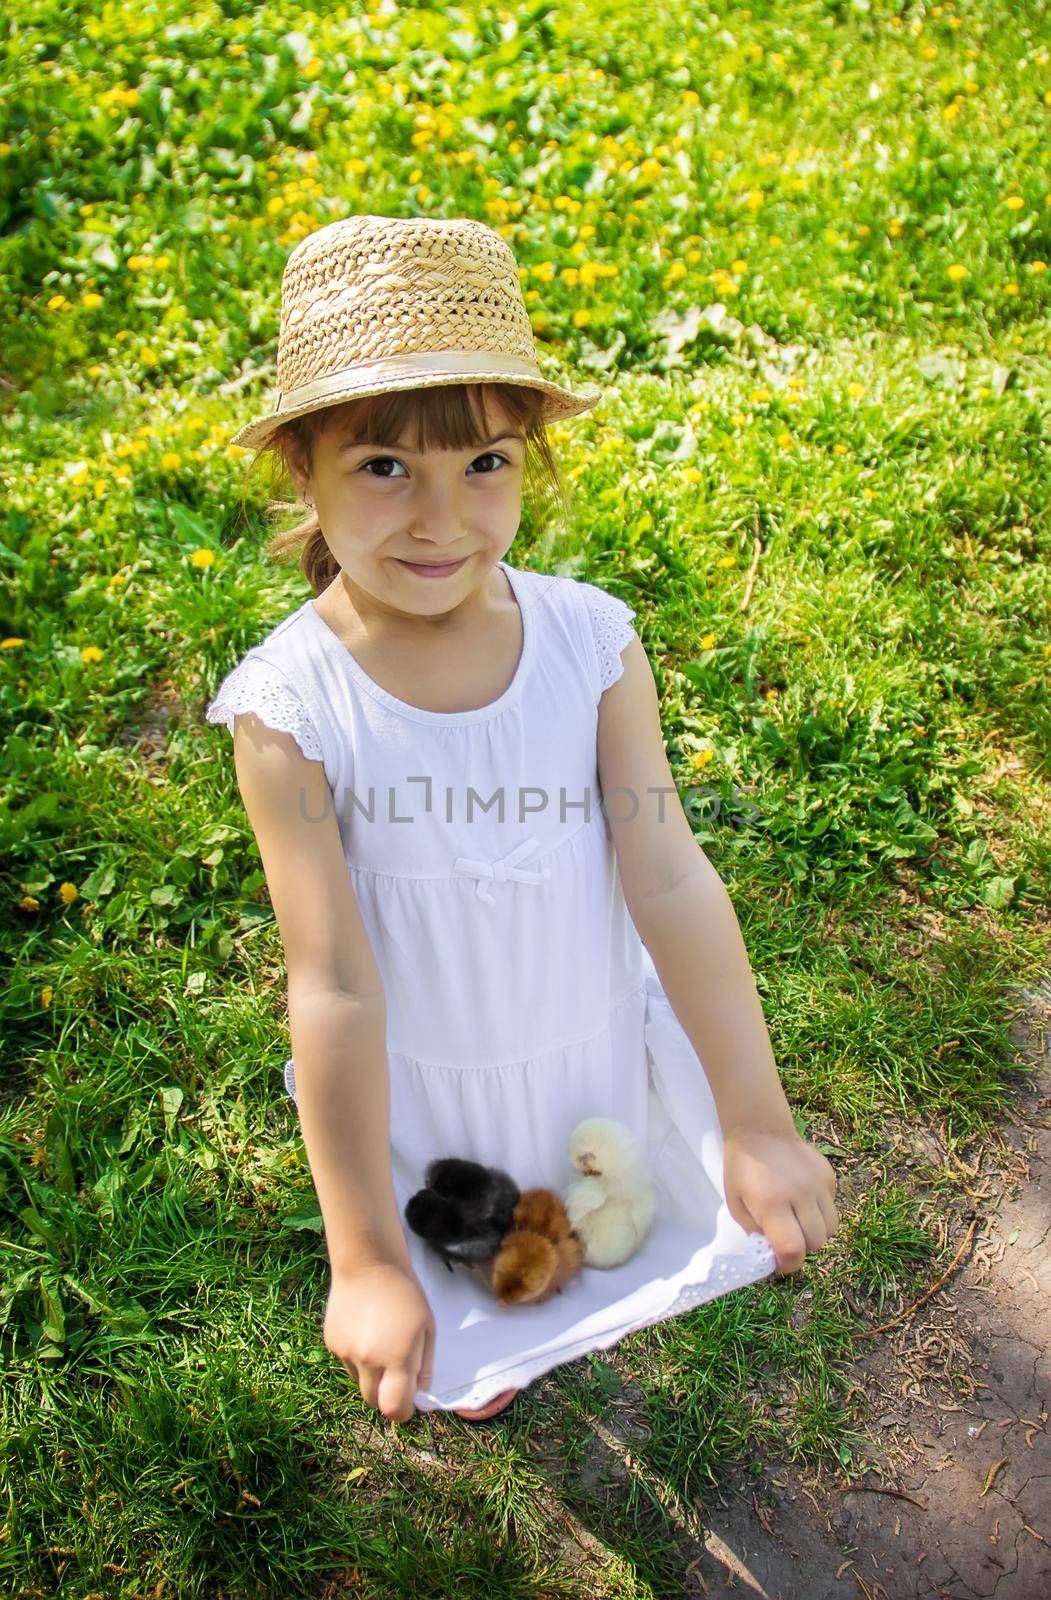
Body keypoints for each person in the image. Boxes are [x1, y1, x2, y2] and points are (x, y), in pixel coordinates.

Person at [205, 214, 839, 1426]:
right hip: (428, 1093)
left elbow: (666, 876)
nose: (442, 520)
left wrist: (756, 1124)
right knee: (478, 1315)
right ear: (304, 468)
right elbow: (331, 981)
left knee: (602, 1223)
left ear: (528, 457)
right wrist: (367, 1262)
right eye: (385, 467)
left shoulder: (588, 643)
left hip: (581, 1045)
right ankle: (448, 1276)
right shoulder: (291, 708)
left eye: (486, 463)